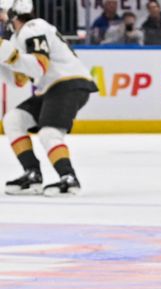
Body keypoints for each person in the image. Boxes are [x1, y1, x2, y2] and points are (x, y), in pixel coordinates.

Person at [0, 0, 97, 196]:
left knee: (49, 132)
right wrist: (4, 59)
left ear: (14, 11)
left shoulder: (34, 26)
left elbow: (38, 66)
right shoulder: (20, 36)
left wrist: (7, 54)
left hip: (68, 83)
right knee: (12, 120)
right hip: (52, 87)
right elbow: (19, 80)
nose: (1, 16)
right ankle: (32, 173)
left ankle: (68, 178)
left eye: (2, 11)